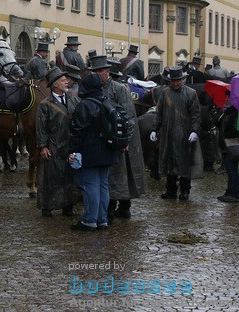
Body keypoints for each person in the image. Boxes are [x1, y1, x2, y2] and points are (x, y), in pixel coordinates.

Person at [68, 71, 119, 231]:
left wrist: (74, 151)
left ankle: (89, 220)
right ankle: (102, 219)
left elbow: (78, 131)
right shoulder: (107, 101)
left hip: (90, 151)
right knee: (103, 186)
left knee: (90, 186)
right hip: (108, 151)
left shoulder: (85, 105)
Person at [96, 56, 145, 221]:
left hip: (120, 138)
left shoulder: (119, 89)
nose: (96, 74)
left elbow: (129, 116)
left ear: (107, 72)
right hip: (105, 139)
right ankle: (113, 208)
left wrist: (125, 139)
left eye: (99, 71)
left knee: (123, 172)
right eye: (94, 71)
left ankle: (121, 207)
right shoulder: (94, 89)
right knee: (112, 174)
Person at [151, 65, 201, 201]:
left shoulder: (191, 93)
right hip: (168, 132)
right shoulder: (165, 93)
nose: (175, 83)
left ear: (183, 80)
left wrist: (194, 131)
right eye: (173, 80)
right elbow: (159, 112)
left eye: (178, 80)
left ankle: (185, 190)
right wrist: (155, 129)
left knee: (185, 161)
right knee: (169, 161)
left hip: (185, 133)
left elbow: (196, 114)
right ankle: (171, 190)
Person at [35, 67, 79, 218]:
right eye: (62, 80)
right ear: (55, 84)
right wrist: (43, 146)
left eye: (66, 79)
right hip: (52, 145)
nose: (66, 81)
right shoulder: (45, 104)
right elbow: (40, 127)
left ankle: (68, 205)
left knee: (69, 176)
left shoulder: (73, 100)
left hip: (70, 144)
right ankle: (47, 206)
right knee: (50, 177)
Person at [215, 90, 239, 203]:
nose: (226, 99)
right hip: (225, 145)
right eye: (226, 97)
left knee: (233, 170)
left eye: (228, 97)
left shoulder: (235, 113)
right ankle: (229, 191)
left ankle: (234, 194)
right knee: (229, 169)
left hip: (231, 145)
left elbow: (236, 129)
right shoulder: (226, 111)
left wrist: (226, 132)